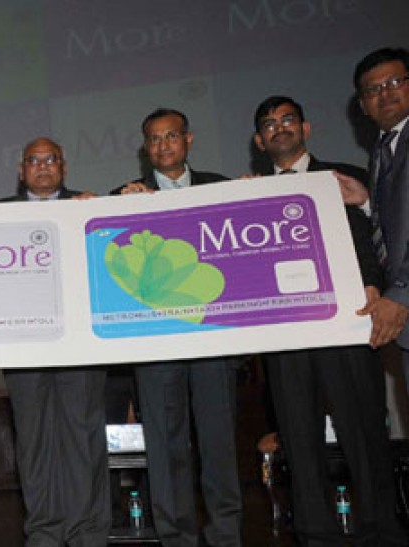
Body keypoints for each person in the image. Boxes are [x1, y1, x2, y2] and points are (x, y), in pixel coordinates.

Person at [253, 96, 406, 546]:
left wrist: (374, 283)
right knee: (298, 439)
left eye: (288, 120)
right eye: (269, 124)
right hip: (286, 334)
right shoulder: (250, 192)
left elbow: (378, 238)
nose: (280, 128)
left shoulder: (347, 178)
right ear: (259, 140)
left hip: (347, 325)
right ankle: (315, 534)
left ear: (306, 128)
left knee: (363, 431)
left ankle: (382, 531)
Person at [111, 109, 242, 547]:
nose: (163, 145)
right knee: (165, 449)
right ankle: (176, 537)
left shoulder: (221, 189)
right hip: (156, 343)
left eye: (171, 136)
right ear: (145, 147)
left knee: (219, 442)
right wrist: (120, 209)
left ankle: (226, 534)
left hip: (213, 339)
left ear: (188, 140)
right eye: (154, 138)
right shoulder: (125, 196)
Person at [0, 137, 110, 546]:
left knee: (83, 440)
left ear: (63, 167)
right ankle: (44, 532)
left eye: (50, 159)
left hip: (81, 346)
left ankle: (87, 533)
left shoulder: (89, 208)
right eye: (33, 161)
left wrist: (102, 215)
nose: (42, 166)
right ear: (21, 171)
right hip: (26, 347)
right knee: (34, 443)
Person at [344, 47, 409, 546]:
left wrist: (400, 296)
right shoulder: (385, 148)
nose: (385, 95)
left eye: (394, 83)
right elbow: (402, 220)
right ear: (362, 104)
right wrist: (367, 203)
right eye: (373, 90)